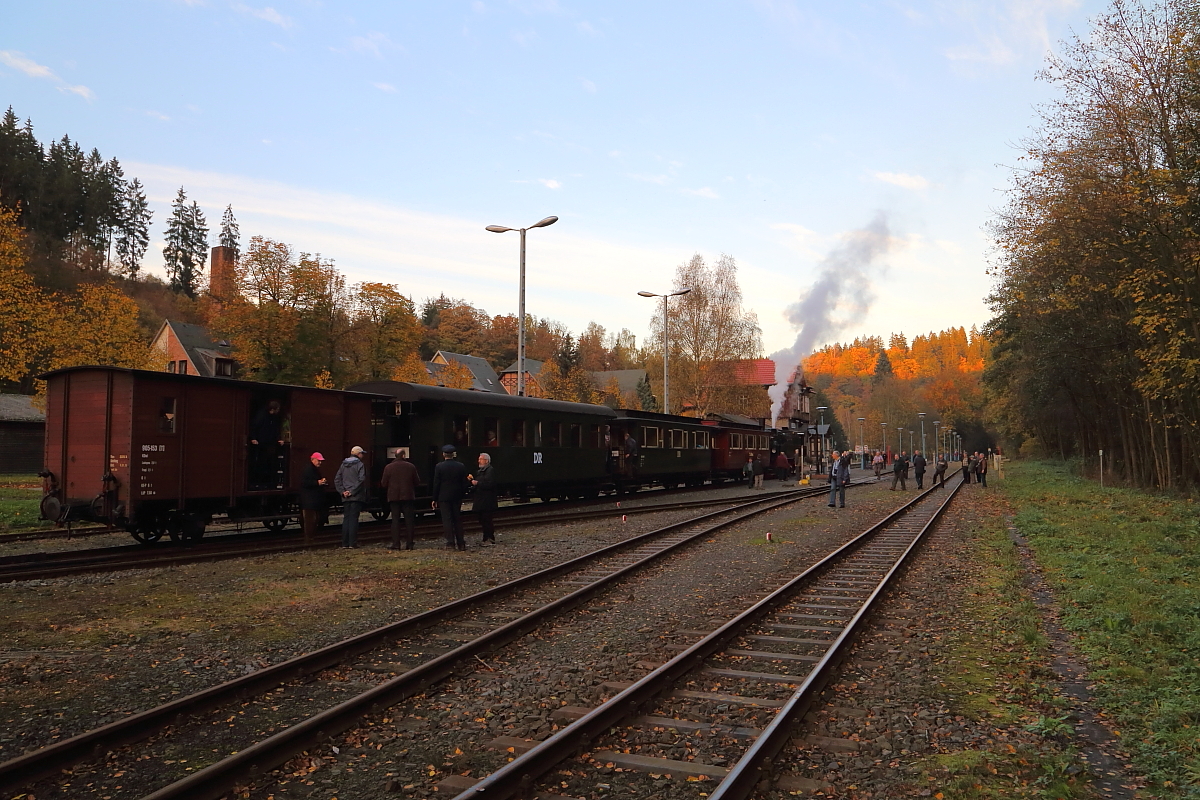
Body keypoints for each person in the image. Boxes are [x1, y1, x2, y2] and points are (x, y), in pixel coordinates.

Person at [380, 451, 420, 550]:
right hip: (408, 496)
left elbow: (383, 483)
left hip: (394, 497)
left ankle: (396, 544)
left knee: (395, 520)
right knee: (409, 520)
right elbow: (417, 482)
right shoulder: (411, 466)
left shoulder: (388, 467)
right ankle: (410, 544)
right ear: (403, 456)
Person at [432, 444, 469, 551]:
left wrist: (434, 498)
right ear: (453, 454)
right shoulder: (460, 466)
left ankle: (450, 543)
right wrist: (462, 493)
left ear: (443, 454)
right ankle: (461, 543)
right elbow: (464, 483)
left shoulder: (439, 466)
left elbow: (436, 483)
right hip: (457, 496)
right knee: (457, 519)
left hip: (443, 497)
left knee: (447, 520)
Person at [334, 445, 367, 549]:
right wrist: (352, 491)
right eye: (362, 453)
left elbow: (337, 479)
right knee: (353, 519)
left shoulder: (343, 465)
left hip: (345, 497)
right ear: (358, 454)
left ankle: (345, 543)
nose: (362, 455)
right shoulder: (360, 465)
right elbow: (361, 480)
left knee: (346, 519)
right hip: (356, 496)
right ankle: (352, 543)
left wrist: (343, 491)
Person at [249, 400, 284, 488]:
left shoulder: (274, 418)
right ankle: (258, 483)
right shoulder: (261, 415)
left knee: (270, 463)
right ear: (273, 409)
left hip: (270, 443)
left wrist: (278, 439)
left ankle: (269, 483)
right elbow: (254, 426)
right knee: (260, 464)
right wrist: (253, 438)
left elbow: (276, 429)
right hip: (260, 443)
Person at [299, 452, 328, 545]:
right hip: (309, 501)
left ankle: (310, 539)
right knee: (310, 521)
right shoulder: (309, 470)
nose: (320, 462)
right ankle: (309, 540)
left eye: (320, 461)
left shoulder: (312, 469)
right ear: (313, 460)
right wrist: (317, 482)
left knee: (313, 520)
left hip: (312, 500)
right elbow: (304, 483)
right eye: (318, 460)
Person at [470, 453, 498, 545]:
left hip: (487, 500)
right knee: (482, 519)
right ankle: (486, 537)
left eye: (481, 459)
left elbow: (490, 484)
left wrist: (477, 483)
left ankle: (489, 538)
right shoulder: (480, 471)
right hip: (481, 500)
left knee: (487, 519)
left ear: (486, 461)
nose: (479, 461)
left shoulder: (490, 471)